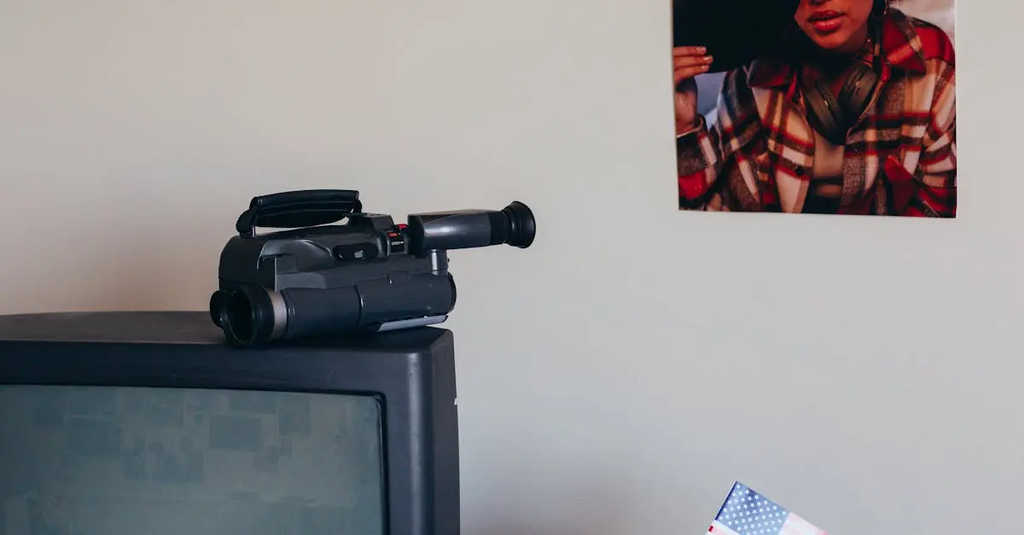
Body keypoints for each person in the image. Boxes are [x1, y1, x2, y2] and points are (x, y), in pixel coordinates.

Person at [673, 0, 956, 216]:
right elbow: (717, 225)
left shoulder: (930, 60)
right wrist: (684, 128)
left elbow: (939, 219)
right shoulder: (750, 70)